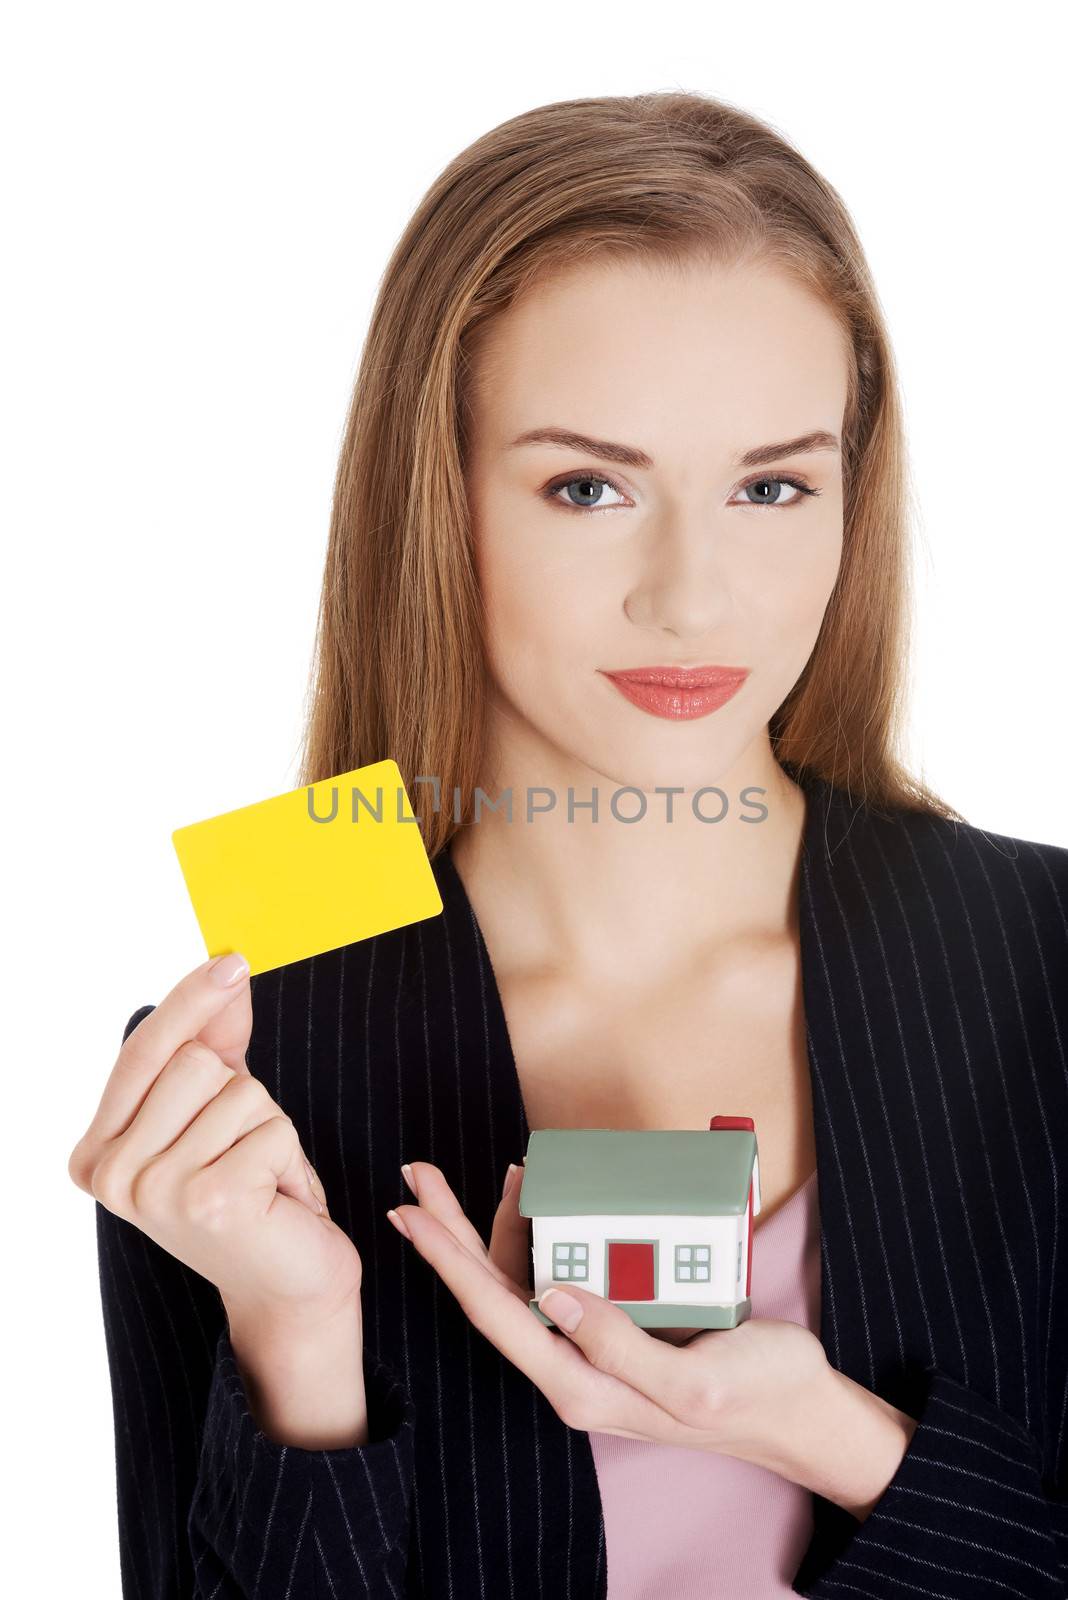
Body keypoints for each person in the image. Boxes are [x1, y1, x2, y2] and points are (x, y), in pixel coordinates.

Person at [68, 91, 1068, 1599]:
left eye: (772, 485)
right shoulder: (246, 1062)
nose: (692, 598)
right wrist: (296, 1345)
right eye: (589, 488)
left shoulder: (1044, 965)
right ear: (439, 498)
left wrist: (846, 1443)